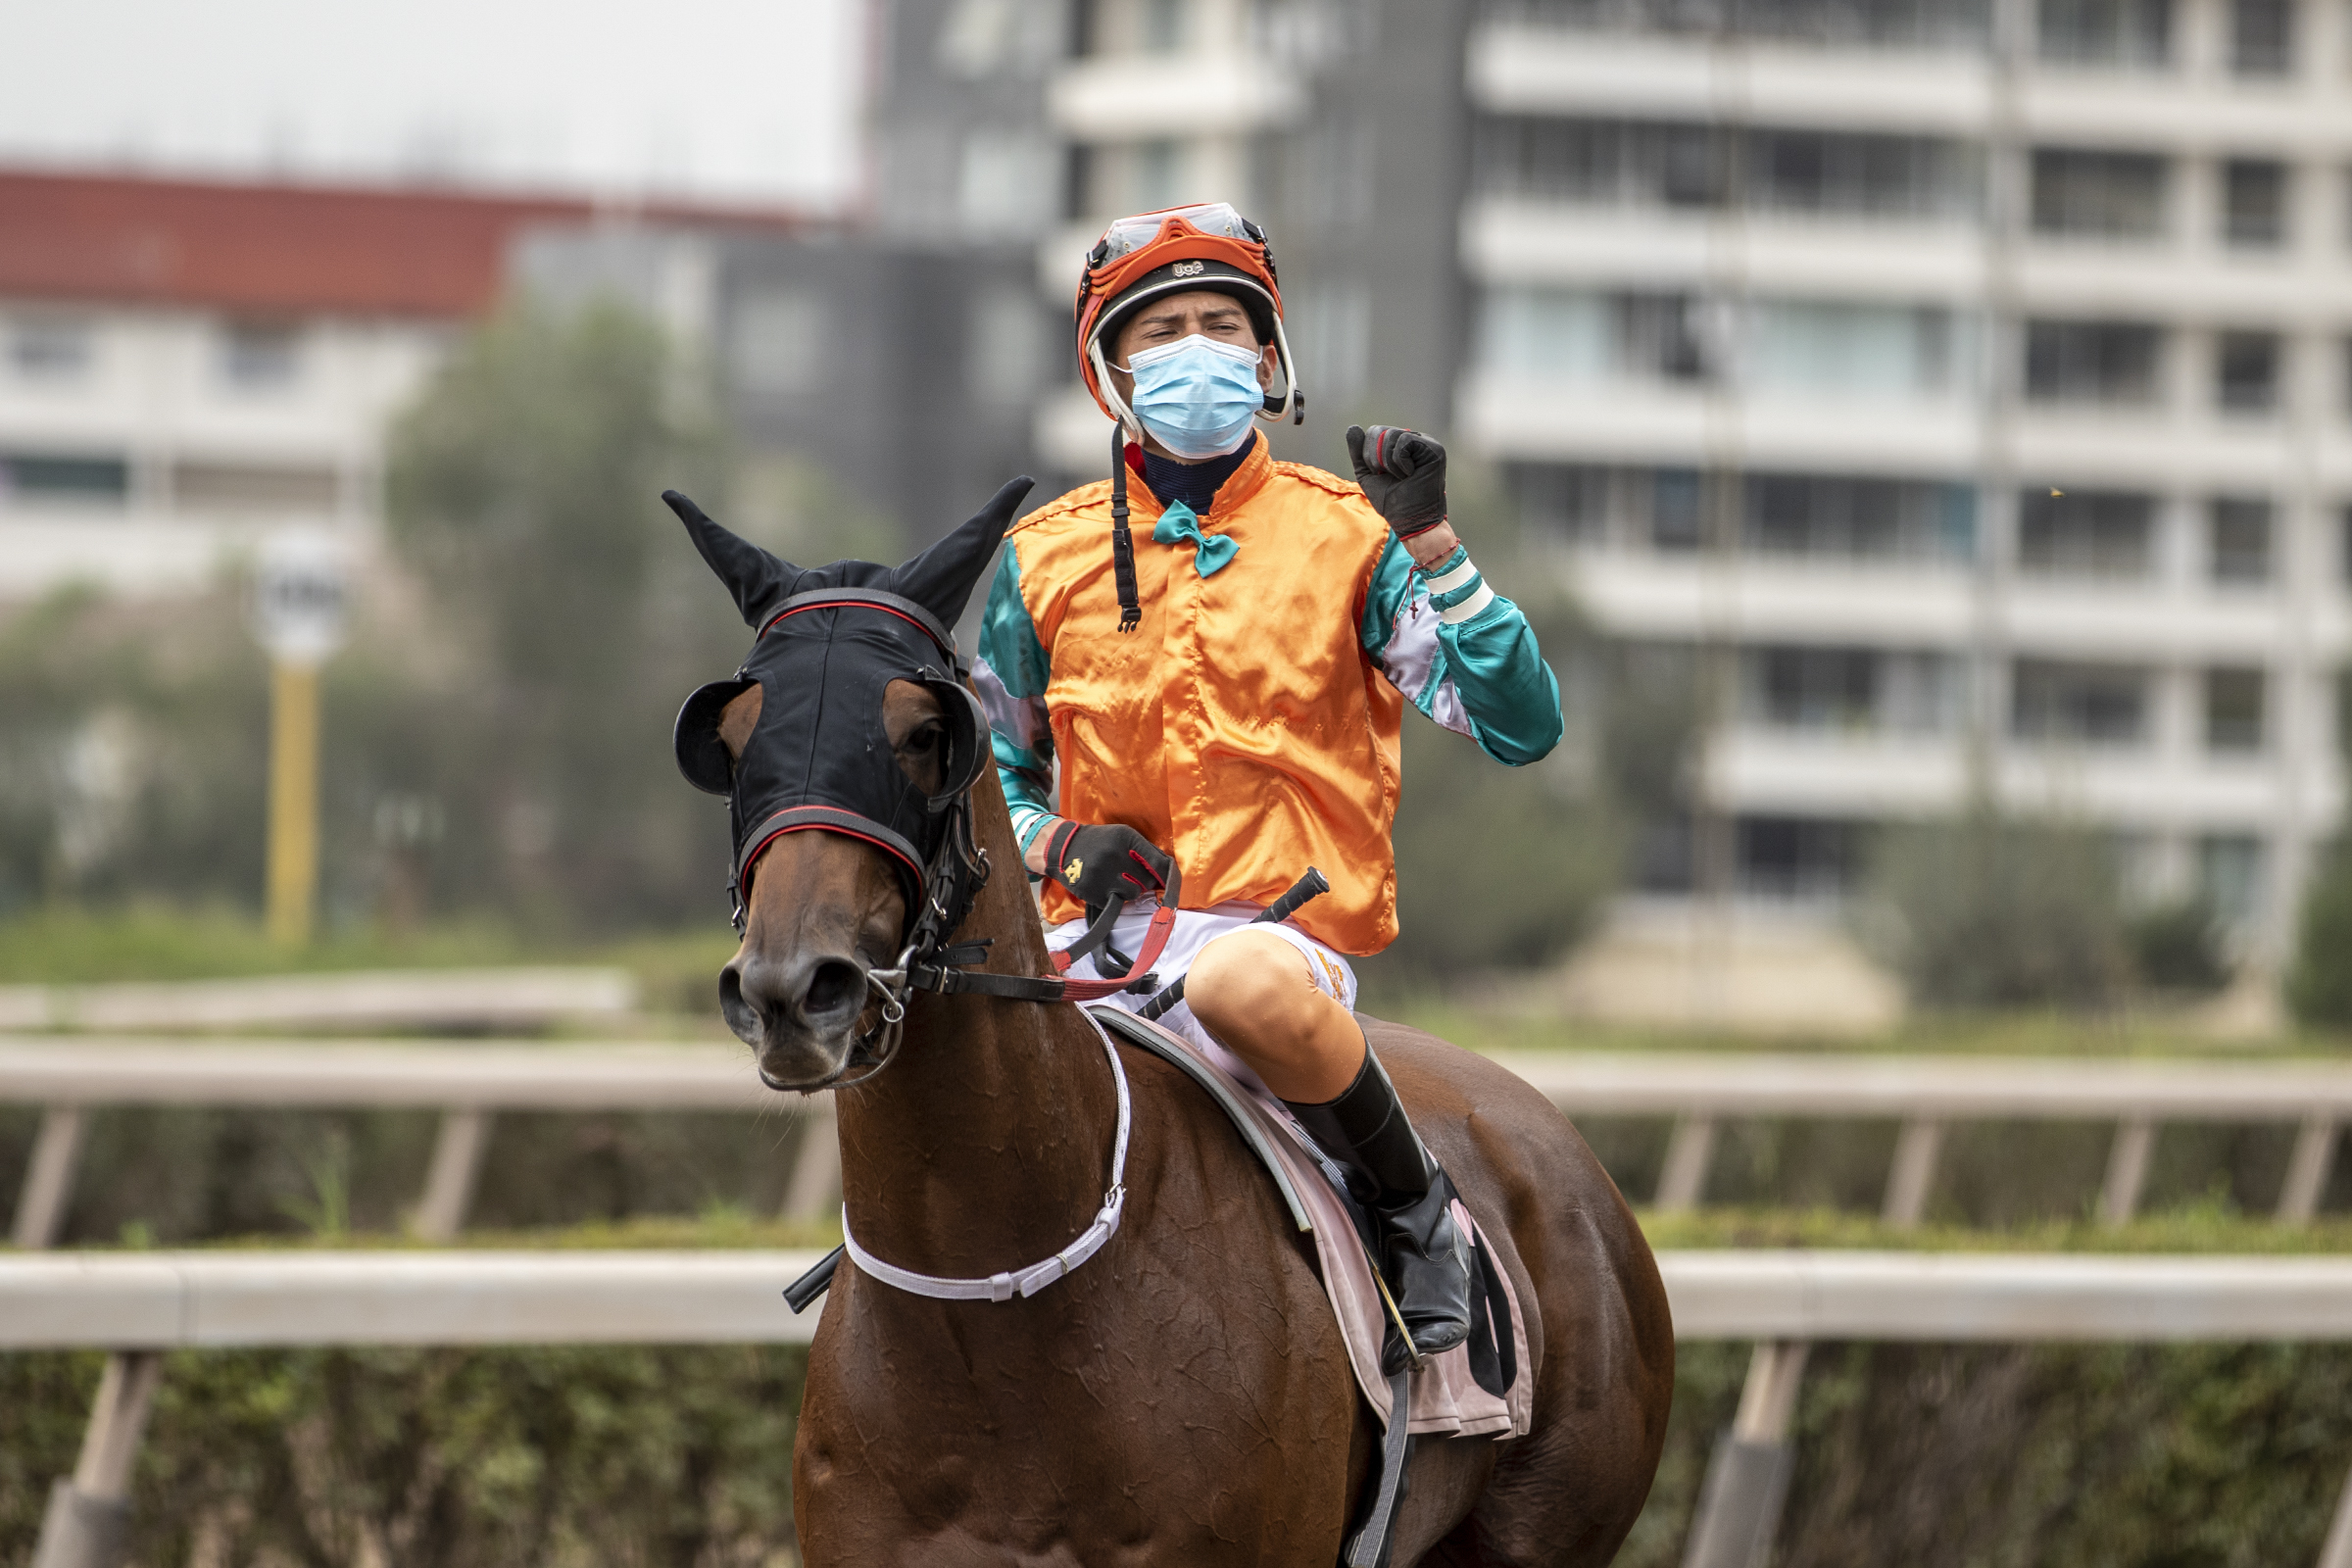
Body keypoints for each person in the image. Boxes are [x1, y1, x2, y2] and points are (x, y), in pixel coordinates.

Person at [971, 202, 1562, 1365]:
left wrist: (1435, 545)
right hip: (1088, 951)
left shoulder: (1355, 540)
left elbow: (1521, 726)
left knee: (1237, 979)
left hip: (1278, 952)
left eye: (1222, 324)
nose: (1196, 349)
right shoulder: (1037, 559)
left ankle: (1414, 1209)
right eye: (1162, 331)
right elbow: (995, 775)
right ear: (1109, 371)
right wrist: (1054, 846)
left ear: (1268, 353)